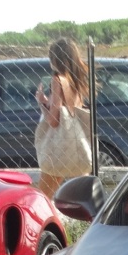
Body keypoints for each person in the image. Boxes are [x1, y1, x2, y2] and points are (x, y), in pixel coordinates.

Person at [34, 37, 90, 198]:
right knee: (86, 197)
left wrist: (40, 103)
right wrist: (46, 101)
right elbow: (66, 110)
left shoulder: (57, 80)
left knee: (43, 198)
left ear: (55, 59)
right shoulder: (75, 80)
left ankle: (41, 223)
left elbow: (53, 120)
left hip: (57, 148)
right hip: (74, 146)